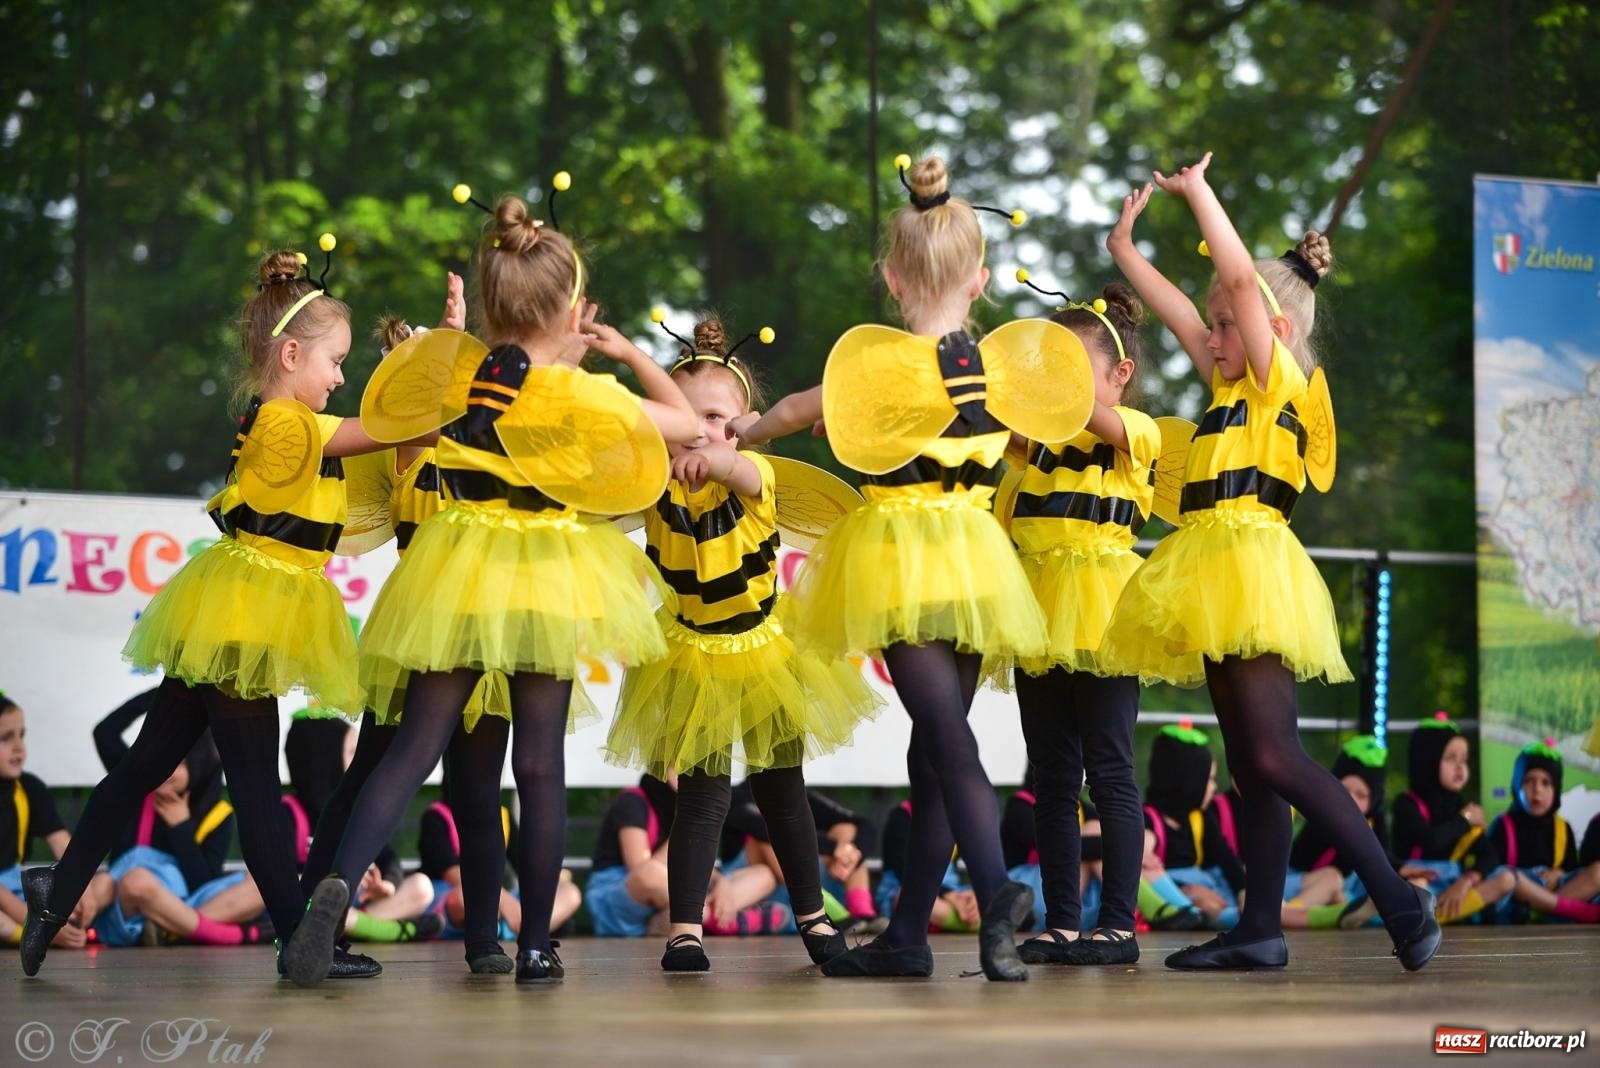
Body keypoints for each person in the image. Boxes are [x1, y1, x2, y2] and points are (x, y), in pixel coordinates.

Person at [285, 184, 699, 987]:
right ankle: (535, 943)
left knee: (411, 750)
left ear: (487, 298)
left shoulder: (464, 379)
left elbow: (414, 388)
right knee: (539, 766)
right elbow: (684, 422)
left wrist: (454, 339)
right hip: (545, 575)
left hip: (459, 566)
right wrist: (622, 352)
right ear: (572, 306)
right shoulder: (585, 392)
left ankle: (324, 907)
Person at [22, 239, 406, 980]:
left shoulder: (303, 425)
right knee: (257, 783)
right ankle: (299, 943)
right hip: (244, 611)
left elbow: (373, 472)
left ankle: (55, 890)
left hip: (244, 608)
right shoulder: (284, 422)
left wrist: (419, 374)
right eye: (336, 361)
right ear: (290, 356)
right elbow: (383, 431)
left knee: (141, 771)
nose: (342, 374)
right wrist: (439, 390)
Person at [760, 155, 1095, 981]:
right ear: (980, 280)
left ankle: (994, 892)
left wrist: (739, 427)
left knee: (944, 739)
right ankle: (912, 935)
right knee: (937, 746)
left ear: (891, 277)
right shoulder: (1002, 372)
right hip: (977, 563)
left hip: (900, 564)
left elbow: (798, 410)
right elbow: (1051, 431)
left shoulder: (871, 366)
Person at [1100, 154, 1438, 971]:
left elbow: (1240, 285)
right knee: (1253, 763)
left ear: (1268, 333)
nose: (1208, 338)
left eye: (1223, 327)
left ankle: (1398, 899)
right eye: (1213, 328)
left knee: (1275, 756)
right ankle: (1260, 928)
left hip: (1250, 569)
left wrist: (1200, 195)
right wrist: (1124, 252)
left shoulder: (1272, 379)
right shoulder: (1226, 388)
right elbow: (1189, 309)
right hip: (1213, 569)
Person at [605, 314, 878, 971]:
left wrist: (725, 451)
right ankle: (684, 931)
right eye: (690, 421)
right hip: (692, 654)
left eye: (722, 420)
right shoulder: (654, 486)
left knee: (782, 788)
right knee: (700, 796)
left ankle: (814, 919)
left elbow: (735, 466)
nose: (706, 434)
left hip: (762, 651)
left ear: (746, 424)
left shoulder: (758, 474)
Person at [997, 273, 1157, 966]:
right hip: (1036, 611)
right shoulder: (1031, 446)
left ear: (1119, 374)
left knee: (1111, 769)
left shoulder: (1134, 434)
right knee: (1053, 775)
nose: (1055, 384)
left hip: (1102, 612)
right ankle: (1063, 919)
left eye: (1073, 369)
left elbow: (1095, 420)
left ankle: (1117, 923)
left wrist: (1050, 393)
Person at [0, 693, 109, 949]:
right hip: (5, 899)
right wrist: (36, 927)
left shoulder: (29, 788)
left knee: (105, 883)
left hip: (16, 886)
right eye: (6, 738)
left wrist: (82, 891)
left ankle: (57, 926)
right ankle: (20, 934)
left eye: (21, 735)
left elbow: (64, 846)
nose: (19, 746)